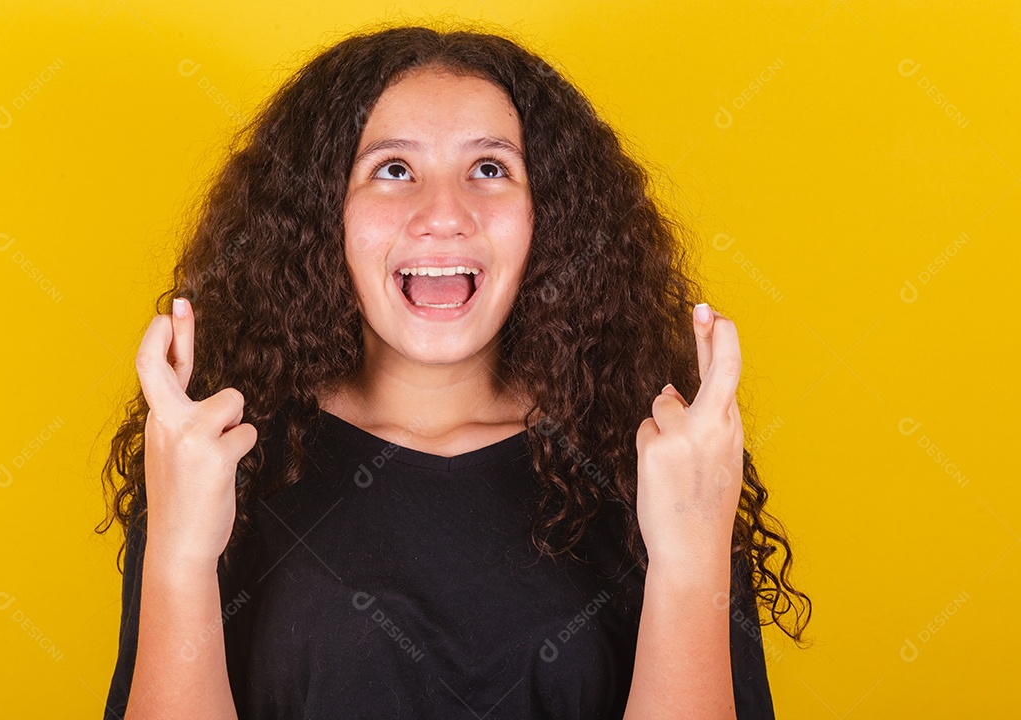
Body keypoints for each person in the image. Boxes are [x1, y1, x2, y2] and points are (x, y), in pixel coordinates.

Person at [97, 24, 811, 720]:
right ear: (323, 215)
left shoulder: (657, 467)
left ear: (548, 217)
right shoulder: (221, 465)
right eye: (394, 170)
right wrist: (179, 562)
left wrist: (690, 564)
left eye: (490, 169)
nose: (444, 214)